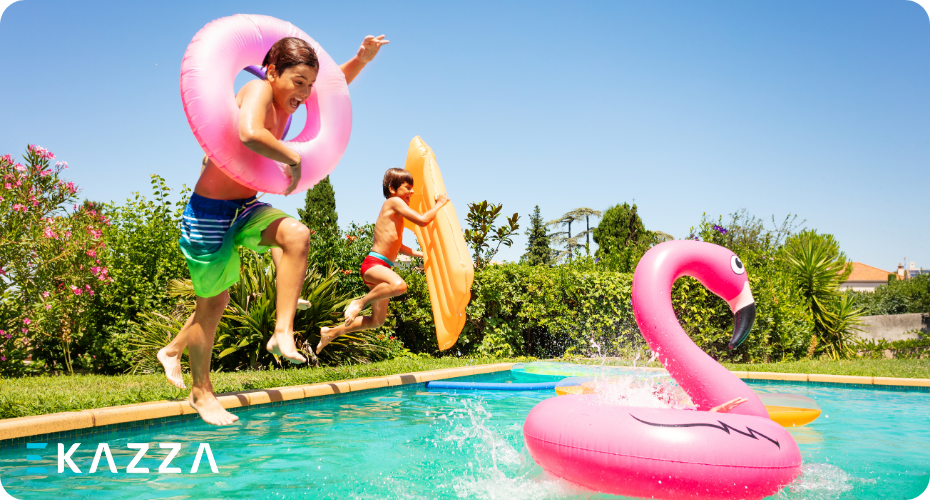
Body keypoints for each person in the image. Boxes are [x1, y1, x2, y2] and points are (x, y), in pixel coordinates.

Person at [158, 34, 389, 426]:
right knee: (213, 304)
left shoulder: (290, 102)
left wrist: (360, 60)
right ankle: (200, 390)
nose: (305, 92)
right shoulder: (257, 90)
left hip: (245, 207)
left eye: (309, 85)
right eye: (298, 82)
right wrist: (292, 156)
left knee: (296, 234)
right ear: (272, 72)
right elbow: (249, 133)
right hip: (209, 213)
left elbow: (333, 92)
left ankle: (282, 331)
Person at [315, 168, 448, 353]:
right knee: (400, 286)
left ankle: (331, 332)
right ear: (393, 189)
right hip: (374, 264)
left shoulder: (396, 213)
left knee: (376, 321)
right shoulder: (394, 202)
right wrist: (439, 204)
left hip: (381, 267)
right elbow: (424, 220)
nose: (412, 192)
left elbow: (398, 246)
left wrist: (423, 254)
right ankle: (360, 303)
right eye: (408, 187)